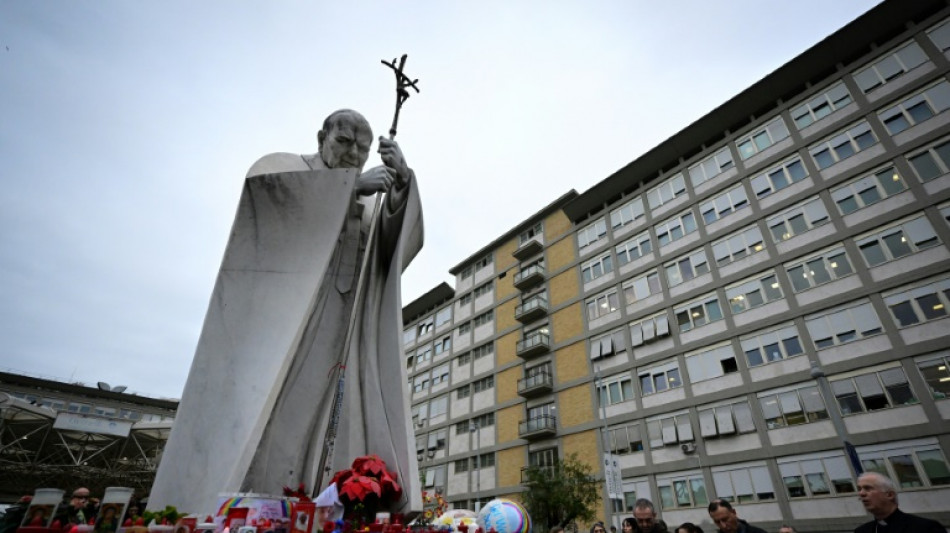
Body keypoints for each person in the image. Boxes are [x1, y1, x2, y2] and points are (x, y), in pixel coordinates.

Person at [149, 109, 424, 516]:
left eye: (363, 149)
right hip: (292, 323)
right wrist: (346, 190)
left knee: (338, 420)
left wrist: (401, 186)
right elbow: (268, 202)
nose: (353, 154)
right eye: (344, 142)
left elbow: (391, 254)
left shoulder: (370, 202)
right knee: (280, 414)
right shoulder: (285, 169)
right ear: (321, 137)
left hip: (346, 327)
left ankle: (327, 503)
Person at [853, 472, 944, 532]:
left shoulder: (925, 528)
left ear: (890, 495)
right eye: (860, 489)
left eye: (868, 488)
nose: (861, 493)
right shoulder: (861, 531)